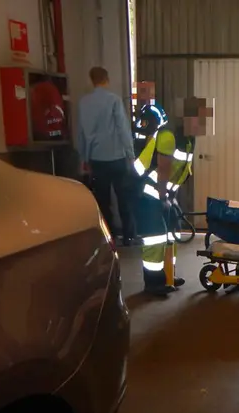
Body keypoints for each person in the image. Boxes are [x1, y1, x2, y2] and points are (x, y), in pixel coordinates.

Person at [131, 103, 195, 296]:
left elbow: (180, 170)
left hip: (163, 192)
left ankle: (168, 276)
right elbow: (164, 167)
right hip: (148, 191)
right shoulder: (168, 136)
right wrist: (162, 197)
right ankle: (153, 283)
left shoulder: (188, 139)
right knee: (155, 238)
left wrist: (171, 196)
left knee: (169, 236)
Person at [77, 66, 138, 245]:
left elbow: (82, 133)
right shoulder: (114, 100)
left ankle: (108, 236)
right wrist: (130, 154)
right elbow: (123, 129)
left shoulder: (84, 103)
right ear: (107, 79)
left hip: (96, 159)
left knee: (102, 201)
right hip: (117, 157)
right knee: (124, 198)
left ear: (92, 80)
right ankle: (129, 236)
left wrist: (84, 158)